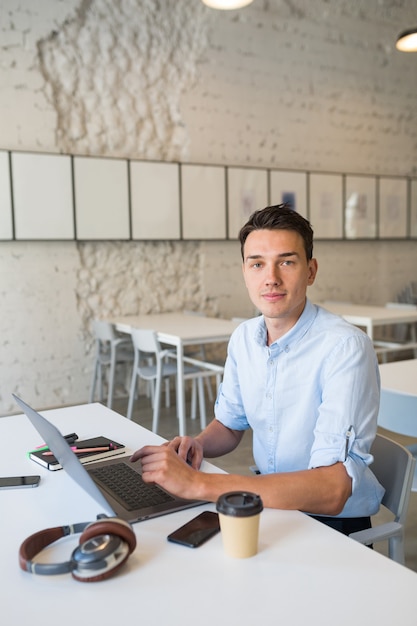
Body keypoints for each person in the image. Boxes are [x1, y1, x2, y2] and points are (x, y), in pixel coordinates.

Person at [131, 204, 384, 535]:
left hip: (329, 524)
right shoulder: (244, 338)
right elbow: (231, 425)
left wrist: (198, 484)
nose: (271, 278)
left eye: (287, 262)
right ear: (245, 272)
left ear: (310, 271)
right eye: (258, 264)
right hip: (268, 503)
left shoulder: (345, 348)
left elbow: (333, 489)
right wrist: (198, 444)